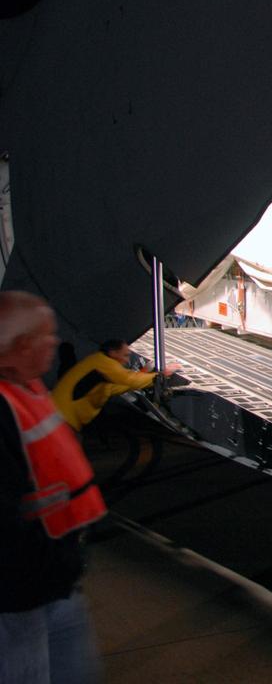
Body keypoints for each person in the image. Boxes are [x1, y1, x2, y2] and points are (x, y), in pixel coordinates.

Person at [0, 291, 107, 683]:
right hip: (19, 594)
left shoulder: (26, 387)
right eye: (47, 336)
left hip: (53, 580)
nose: (54, 343)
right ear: (21, 345)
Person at [51, 340, 181, 432]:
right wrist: (162, 375)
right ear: (113, 353)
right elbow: (129, 380)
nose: (127, 360)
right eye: (124, 355)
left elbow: (116, 387)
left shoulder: (99, 364)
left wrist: (145, 373)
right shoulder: (104, 363)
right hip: (64, 419)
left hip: (64, 416)